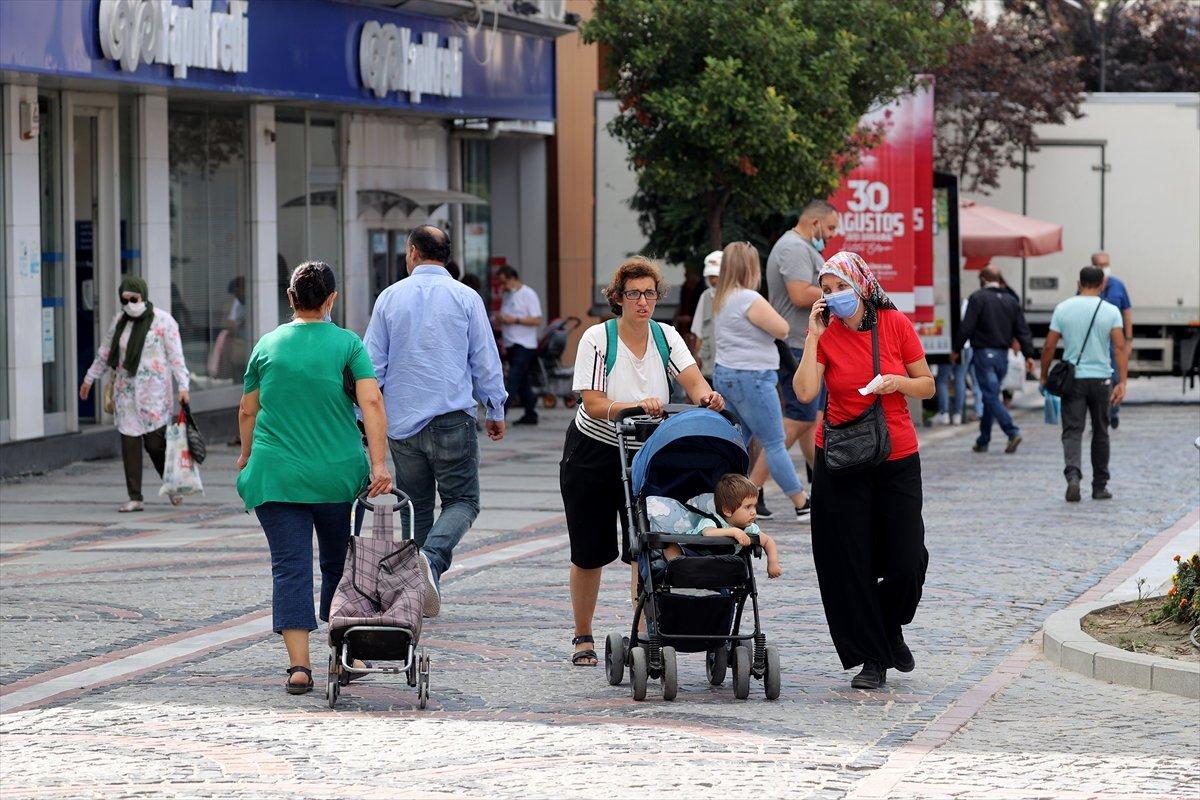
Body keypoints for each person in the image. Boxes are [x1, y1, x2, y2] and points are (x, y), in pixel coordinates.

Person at [234, 261, 393, 694]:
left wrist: (246, 456)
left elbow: (248, 409)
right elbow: (372, 402)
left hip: (275, 474)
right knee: (339, 565)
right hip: (335, 476)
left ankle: (299, 668)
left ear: (290, 299)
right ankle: (346, 655)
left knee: (289, 568)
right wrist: (379, 465)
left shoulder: (267, 346)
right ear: (331, 300)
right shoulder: (348, 344)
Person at [561, 255, 725, 666]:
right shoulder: (598, 338)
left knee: (646, 544)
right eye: (633, 294)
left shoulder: (666, 336)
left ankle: (642, 632)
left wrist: (706, 397)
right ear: (617, 298)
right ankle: (583, 634)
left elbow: (692, 379)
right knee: (588, 550)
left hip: (647, 451)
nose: (641, 302)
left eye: (649, 294)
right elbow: (594, 403)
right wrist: (634, 405)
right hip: (594, 450)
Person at [793, 251, 934, 691]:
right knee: (848, 561)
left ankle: (890, 629)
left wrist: (898, 383)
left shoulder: (895, 324)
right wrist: (813, 338)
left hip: (896, 454)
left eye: (841, 287)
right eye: (827, 289)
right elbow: (804, 393)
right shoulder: (826, 334)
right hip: (840, 458)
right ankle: (872, 657)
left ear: (862, 285)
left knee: (907, 560)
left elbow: (927, 385)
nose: (834, 296)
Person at [364, 225, 508, 619]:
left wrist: (364, 418)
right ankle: (430, 560)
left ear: (412, 252)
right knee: (463, 501)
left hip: (402, 425)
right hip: (451, 420)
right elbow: (484, 358)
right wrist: (494, 408)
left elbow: (371, 366)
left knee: (418, 506)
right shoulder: (466, 297)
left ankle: (419, 587)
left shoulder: (389, 298)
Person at [713, 242, 811, 522]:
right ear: (750, 267)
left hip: (726, 374)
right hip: (753, 377)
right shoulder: (748, 298)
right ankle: (800, 501)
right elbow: (782, 329)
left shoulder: (722, 296)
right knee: (775, 442)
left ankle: (725, 501)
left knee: (736, 442)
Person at [80, 276, 190, 512]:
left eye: (134, 298)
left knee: (155, 445)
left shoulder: (163, 322)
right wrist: (90, 378)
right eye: (125, 299)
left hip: (155, 395)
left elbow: (176, 357)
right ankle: (135, 497)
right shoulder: (120, 321)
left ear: (143, 295)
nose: (130, 303)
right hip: (127, 394)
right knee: (129, 445)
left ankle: (172, 486)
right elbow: (105, 352)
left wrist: (183, 386)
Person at [765, 200, 839, 490]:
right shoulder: (794, 248)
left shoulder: (805, 248)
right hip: (795, 343)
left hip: (806, 340)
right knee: (800, 418)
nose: (832, 234)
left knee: (813, 421)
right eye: (830, 227)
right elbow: (798, 294)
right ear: (814, 223)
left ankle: (823, 482)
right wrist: (838, 292)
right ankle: (750, 488)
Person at [1040, 266, 1128, 503]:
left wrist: (1043, 375)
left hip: (1073, 380)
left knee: (1072, 431)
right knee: (1101, 431)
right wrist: (1123, 381)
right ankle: (1099, 486)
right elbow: (1119, 347)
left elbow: (1049, 346)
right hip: (1101, 379)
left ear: (1079, 283)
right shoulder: (1111, 311)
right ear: (1102, 286)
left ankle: (1073, 477)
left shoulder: (1063, 308)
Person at [954, 267, 1035, 454]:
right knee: (992, 395)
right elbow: (1022, 330)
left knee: (989, 396)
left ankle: (1012, 431)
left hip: (983, 354)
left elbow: (967, 327)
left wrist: (956, 348)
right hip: (1002, 357)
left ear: (983, 279)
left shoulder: (978, 298)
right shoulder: (1010, 301)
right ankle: (983, 439)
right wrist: (1029, 354)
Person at [661, 473, 783, 579]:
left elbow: (768, 541)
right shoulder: (712, 521)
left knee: (738, 565)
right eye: (747, 507)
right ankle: (679, 570)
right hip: (693, 556)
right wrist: (733, 532)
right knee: (669, 545)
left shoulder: (750, 529)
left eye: (755, 506)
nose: (754, 512)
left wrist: (772, 563)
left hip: (722, 566)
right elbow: (708, 533)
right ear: (727, 510)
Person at [496, 265, 543, 426]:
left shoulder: (528, 294)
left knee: (514, 378)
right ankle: (531, 413)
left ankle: (501, 413)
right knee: (522, 380)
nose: (503, 287)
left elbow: (536, 319)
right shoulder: (507, 295)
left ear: (513, 279)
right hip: (510, 342)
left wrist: (514, 320)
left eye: (504, 283)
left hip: (524, 343)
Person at [1092, 252, 1133, 429]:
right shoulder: (1088, 286)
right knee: (1098, 381)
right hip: (1095, 341)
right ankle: (1100, 418)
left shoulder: (1118, 285)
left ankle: (1113, 411)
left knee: (1116, 377)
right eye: (1100, 265)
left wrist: (1129, 340)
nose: (1104, 268)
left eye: (1106, 264)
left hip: (1115, 340)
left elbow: (1127, 313)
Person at [688, 250, 723, 382]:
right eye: (710, 276)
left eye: (716, 276)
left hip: (728, 367)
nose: (713, 280)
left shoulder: (735, 296)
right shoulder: (706, 297)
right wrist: (697, 360)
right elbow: (698, 332)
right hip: (709, 369)